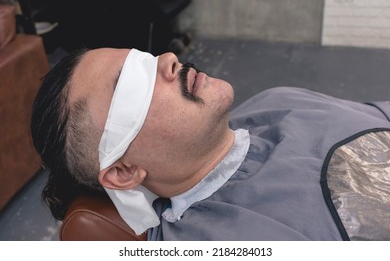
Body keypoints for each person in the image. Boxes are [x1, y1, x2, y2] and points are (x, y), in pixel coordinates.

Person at [31, 48, 390, 241]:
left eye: (143, 57)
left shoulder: (277, 101)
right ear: (124, 171)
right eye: (129, 82)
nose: (168, 59)